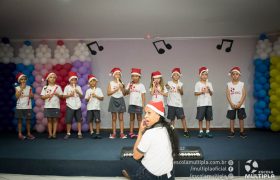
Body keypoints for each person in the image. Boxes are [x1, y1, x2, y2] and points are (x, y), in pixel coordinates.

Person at [122, 101, 178, 179]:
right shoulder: (169, 128)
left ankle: (134, 177)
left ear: (158, 116)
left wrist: (140, 132)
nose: (145, 116)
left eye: (149, 113)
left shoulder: (150, 133)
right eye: (145, 113)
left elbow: (136, 156)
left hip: (152, 177)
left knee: (127, 160)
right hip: (169, 176)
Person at [166, 68, 190, 138]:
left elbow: (182, 93)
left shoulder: (181, 84)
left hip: (179, 104)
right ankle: (172, 132)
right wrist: (166, 86)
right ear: (172, 76)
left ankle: (186, 131)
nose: (176, 76)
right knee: (172, 119)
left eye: (177, 75)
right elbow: (164, 87)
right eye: (174, 75)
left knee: (183, 118)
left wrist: (180, 90)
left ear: (179, 76)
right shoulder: (169, 83)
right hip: (171, 104)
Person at [226, 67, 247, 138]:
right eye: (233, 74)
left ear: (239, 75)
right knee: (232, 118)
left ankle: (242, 131)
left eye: (237, 74)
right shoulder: (229, 84)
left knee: (241, 118)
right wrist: (231, 104)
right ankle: (232, 131)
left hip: (240, 105)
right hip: (231, 105)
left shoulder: (242, 84)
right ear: (231, 75)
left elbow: (244, 94)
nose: (235, 75)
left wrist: (240, 103)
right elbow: (228, 94)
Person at [41, 72, 63, 139]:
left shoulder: (58, 87)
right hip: (48, 106)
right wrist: (47, 96)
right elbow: (42, 97)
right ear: (48, 79)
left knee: (55, 120)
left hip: (56, 106)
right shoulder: (45, 87)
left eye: (54, 77)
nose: (52, 79)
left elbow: (61, 96)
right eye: (51, 77)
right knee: (49, 120)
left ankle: (54, 134)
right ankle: (50, 134)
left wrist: (57, 94)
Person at [125, 68, 146, 139]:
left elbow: (143, 95)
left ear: (139, 77)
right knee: (131, 118)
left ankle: (140, 132)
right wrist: (128, 87)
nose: (134, 77)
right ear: (131, 77)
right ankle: (131, 132)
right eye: (133, 76)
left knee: (139, 118)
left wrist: (143, 104)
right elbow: (125, 93)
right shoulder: (130, 84)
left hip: (139, 104)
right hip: (131, 104)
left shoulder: (141, 85)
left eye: (136, 76)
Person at [194, 67, 214, 138]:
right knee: (200, 118)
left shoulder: (209, 83)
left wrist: (209, 89)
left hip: (209, 103)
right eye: (203, 74)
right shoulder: (198, 84)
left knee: (208, 118)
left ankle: (208, 131)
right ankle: (201, 131)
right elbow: (195, 93)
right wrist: (202, 92)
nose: (205, 76)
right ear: (200, 75)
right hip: (201, 104)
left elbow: (211, 93)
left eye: (206, 74)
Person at [107, 67, 127, 139]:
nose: (118, 76)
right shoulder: (111, 83)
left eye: (119, 74)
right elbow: (108, 93)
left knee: (121, 118)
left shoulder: (122, 83)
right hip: (113, 100)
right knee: (114, 118)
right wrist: (115, 90)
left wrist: (121, 88)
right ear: (114, 75)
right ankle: (114, 133)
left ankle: (122, 133)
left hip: (121, 99)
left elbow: (125, 93)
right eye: (116, 74)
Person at [63, 71, 83, 139]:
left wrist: (78, 92)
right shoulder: (67, 87)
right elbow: (64, 96)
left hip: (77, 105)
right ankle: (68, 133)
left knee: (79, 120)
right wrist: (69, 95)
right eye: (72, 80)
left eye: (75, 80)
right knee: (68, 120)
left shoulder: (79, 87)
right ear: (69, 80)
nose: (74, 81)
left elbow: (81, 96)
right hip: (70, 105)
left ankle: (79, 133)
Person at [15, 72, 35, 140]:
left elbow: (32, 97)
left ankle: (28, 133)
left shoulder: (29, 87)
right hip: (19, 107)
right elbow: (17, 97)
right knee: (20, 121)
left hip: (28, 106)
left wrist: (31, 95)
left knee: (28, 121)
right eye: (22, 79)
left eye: (24, 79)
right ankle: (20, 134)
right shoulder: (17, 87)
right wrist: (21, 89)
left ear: (26, 80)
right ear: (19, 81)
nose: (23, 81)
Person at [85, 74, 104, 139]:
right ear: (89, 83)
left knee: (97, 120)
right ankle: (92, 132)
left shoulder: (99, 89)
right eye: (91, 81)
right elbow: (86, 100)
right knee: (90, 120)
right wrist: (89, 96)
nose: (93, 82)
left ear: (96, 82)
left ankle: (98, 132)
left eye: (94, 81)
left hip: (96, 108)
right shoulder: (88, 90)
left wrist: (95, 96)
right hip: (90, 108)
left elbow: (102, 98)